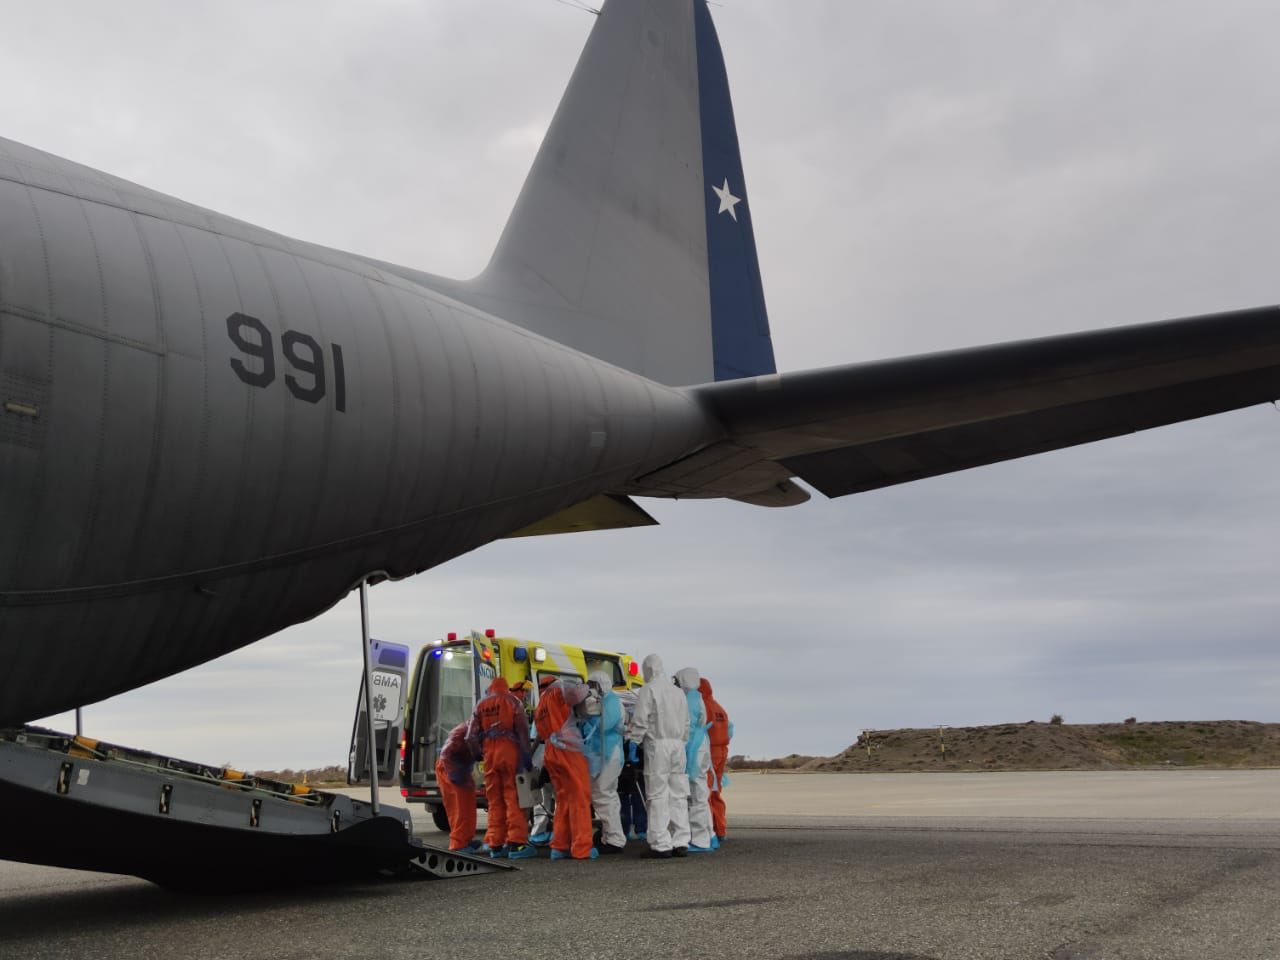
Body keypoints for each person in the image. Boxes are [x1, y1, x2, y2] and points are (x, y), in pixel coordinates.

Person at [626, 654, 690, 859]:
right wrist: (682, 742)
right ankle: (681, 840)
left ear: (648, 670)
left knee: (657, 795)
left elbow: (641, 720)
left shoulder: (648, 690)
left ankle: (661, 843)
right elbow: (686, 723)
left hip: (658, 746)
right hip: (678, 746)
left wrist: (634, 742)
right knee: (678, 794)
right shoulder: (678, 692)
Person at [466, 676, 536, 859]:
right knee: (513, 799)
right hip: (510, 753)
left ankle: (496, 845)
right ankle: (517, 844)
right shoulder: (513, 702)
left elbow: (470, 737)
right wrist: (527, 760)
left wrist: (479, 755)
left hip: (490, 756)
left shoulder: (481, 705)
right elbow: (522, 732)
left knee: (494, 801)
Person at [534, 678, 597, 860]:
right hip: (568, 750)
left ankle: (559, 846)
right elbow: (577, 695)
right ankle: (582, 848)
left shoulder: (540, 706)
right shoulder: (558, 691)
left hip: (551, 753)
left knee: (563, 799)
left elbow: (541, 732)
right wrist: (587, 687)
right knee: (580, 798)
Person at [582, 670, 626, 854]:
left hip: (609, 754)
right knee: (607, 795)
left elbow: (604, 725)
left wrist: (589, 714)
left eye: (593, 685)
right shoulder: (603, 701)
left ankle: (615, 839)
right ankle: (611, 836)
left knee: (602, 795)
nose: (590, 689)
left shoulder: (611, 701)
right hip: (603, 754)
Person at [675, 667, 715, 853]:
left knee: (696, 793)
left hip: (693, 748)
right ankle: (709, 834)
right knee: (701, 793)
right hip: (701, 746)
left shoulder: (690, 698)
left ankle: (700, 839)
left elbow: (687, 727)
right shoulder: (698, 697)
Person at [434, 721, 481, 852]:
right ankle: (458, 844)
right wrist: (453, 773)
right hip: (450, 768)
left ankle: (465, 840)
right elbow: (445, 754)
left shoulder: (475, 728)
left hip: (459, 768)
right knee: (459, 807)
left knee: (467, 806)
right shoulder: (465, 730)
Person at [699, 676, 732, 844]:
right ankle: (720, 829)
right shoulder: (719, 707)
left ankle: (709, 830)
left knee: (704, 792)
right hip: (721, 751)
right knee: (715, 792)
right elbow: (729, 730)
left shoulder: (703, 705)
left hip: (709, 752)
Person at [528, 674, 558, 845]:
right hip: (548, 754)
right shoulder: (551, 704)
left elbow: (538, 733)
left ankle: (540, 833)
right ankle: (551, 833)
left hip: (543, 755)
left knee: (543, 797)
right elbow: (540, 733)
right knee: (554, 795)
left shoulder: (543, 705)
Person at [615, 686, 648, 841]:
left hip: (626, 755)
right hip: (631, 756)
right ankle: (636, 829)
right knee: (631, 796)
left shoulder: (617, 708)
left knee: (628, 796)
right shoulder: (640, 710)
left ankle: (629, 829)